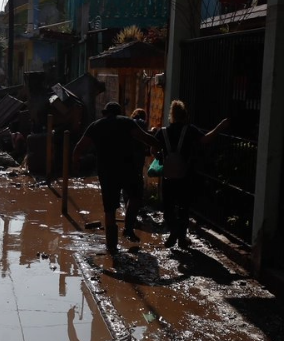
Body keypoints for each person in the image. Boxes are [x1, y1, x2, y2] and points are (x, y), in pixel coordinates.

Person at [72, 101, 161, 254]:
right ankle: (128, 227)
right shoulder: (126, 122)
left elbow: (79, 148)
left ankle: (111, 247)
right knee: (135, 197)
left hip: (107, 173)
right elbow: (144, 137)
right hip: (128, 169)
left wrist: (75, 164)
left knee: (110, 209)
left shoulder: (95, 126)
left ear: (105, 113)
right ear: (119, 113)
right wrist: (159, 145)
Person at [153, 100, 230, 249]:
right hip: (185, 176)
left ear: (171, 115)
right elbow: (205, 139)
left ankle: (174, 231)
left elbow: (153, 148)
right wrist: (220, 126)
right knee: (183, 208)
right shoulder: (190, 130)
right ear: (184, 115)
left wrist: (160, 157)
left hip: (168, 176)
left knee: (168, 207)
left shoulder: (162, 132)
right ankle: (182, 239)